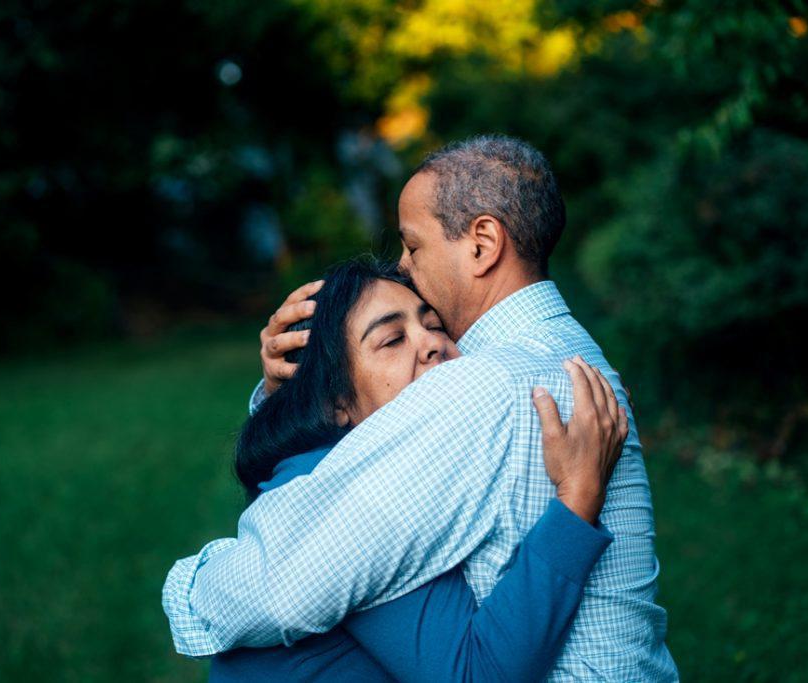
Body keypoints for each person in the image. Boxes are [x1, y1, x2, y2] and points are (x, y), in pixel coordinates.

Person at [164, 135, 678, 680]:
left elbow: (281, 585)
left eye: (413, 246)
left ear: (482, 243)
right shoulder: (569, 354)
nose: (405, 268)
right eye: (392, 338)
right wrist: (290, 388)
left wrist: (191, 588)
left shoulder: (482, 385)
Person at [200, 257, 626, 681]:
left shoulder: (351, 463)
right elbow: (476, 674)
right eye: (392, 340)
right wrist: (577, 497)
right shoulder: (356, 499)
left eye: (434, 324)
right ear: (336, 403)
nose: (431, 343)